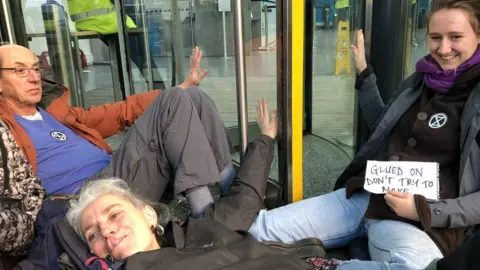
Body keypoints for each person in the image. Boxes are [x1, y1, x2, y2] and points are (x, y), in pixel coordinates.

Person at [248, 0, 480, 269]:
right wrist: (364, 74)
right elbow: (382, 126)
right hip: (364, 197)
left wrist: (426, 211)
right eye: (435, 37)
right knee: (257, 231)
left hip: (420, 224)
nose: (443, 48)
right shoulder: (419, 80)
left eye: (456, 37)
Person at [60, 100, 330, 270]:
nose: (105, 230)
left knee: (192, 97)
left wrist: (266, 138)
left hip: (313, 261)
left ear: (149, 214)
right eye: (92, 235)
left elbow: (243, 200)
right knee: (174, 100)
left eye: (115, 214)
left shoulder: (193, 234)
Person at [0, 44, 233, 218]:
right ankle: (206, 216)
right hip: (83, 198)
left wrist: (181, 88)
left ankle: (233, 190)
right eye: (20, 71)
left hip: (117, 174)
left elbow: (115, 113)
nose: (34, 78)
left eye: (36, 68)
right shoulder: (5, 131)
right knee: (174, 100)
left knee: (193, 96)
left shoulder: (54, 112)